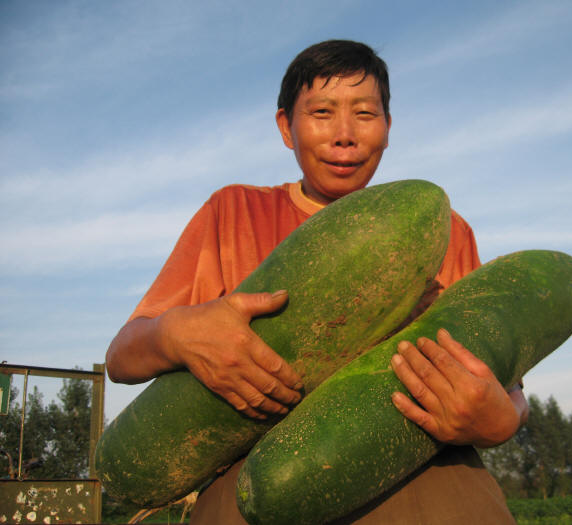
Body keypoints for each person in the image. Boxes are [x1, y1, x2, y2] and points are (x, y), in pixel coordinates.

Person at [106, 40, 528, 524]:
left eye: (365, 114)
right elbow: (122, 357)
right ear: (286, 126)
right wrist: (173, 334)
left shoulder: (446, 230)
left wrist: (504, 420)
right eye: (322, 112)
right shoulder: (234, 212)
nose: (344, 135)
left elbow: (507, 384)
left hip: (433, 490)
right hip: (254, 492)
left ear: (388, 127)